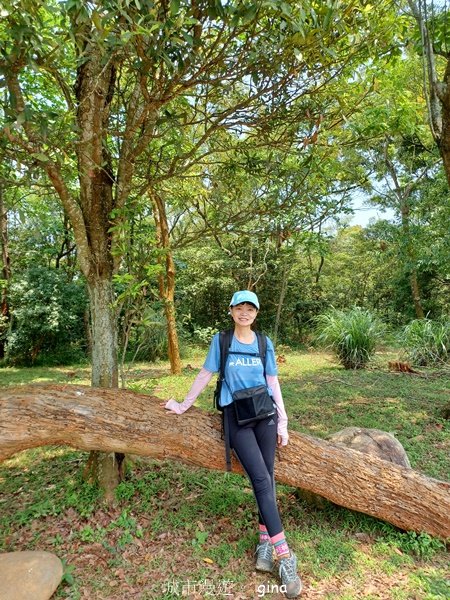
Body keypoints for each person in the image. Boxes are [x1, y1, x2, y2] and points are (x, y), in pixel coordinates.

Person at [163, 290, 302, 598]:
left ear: (256, 314)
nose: (244, 312)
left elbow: (273, 382)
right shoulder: (222, 341)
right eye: (239, 307)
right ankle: (285, 556)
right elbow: (205, 373)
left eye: (250, 308)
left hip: (264, 415)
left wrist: (283, 421)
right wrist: (184, 405)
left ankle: (265, 545)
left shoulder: (264, 343)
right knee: (261, 481)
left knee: (266, 480)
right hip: (236, 418)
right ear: (231, 311)